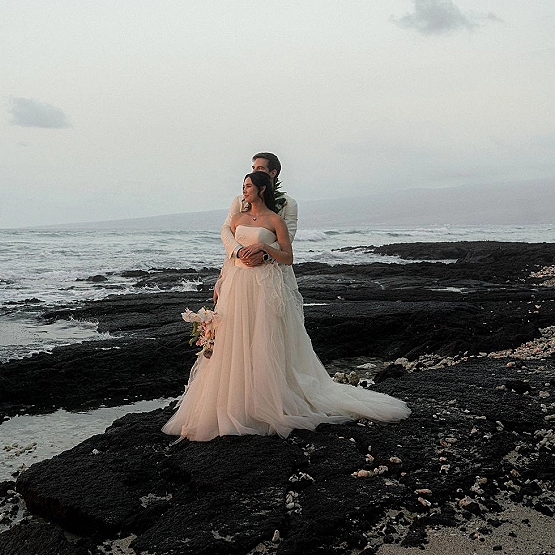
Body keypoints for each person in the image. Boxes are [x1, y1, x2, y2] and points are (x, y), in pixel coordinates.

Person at [162, 172, 410, 441]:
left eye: (248, 186)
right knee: (235, 339)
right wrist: (221, 282)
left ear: (262, 189)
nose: (243, 191)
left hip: (262, 285)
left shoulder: (275, 219)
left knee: (262, 339)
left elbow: (288, 257)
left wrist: (263, 248)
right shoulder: (236, 218)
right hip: (237, 283)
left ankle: (265, 401)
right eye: (243, 186)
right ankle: (234, 399)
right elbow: (229, 254)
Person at [213, 152, 297, 303]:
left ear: (273, 172)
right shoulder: (240, 201)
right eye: (253, 168)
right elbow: (227, 231)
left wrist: (264, 253)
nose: (254, 172)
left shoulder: (287, 204)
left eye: (260, 168)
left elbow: (287, 238)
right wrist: (239, 253)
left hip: (272, 271)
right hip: (239, 270)